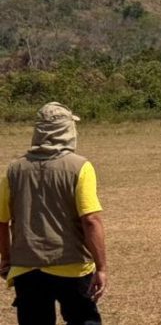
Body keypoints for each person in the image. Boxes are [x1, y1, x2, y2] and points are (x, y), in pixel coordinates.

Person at [1, 102, 108, 325]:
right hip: (73, 267)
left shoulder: (14, 170)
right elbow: (91, 220)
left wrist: (7, 259)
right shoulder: (80, 167)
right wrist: (101, 267)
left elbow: (2, 221)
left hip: (26, 269)